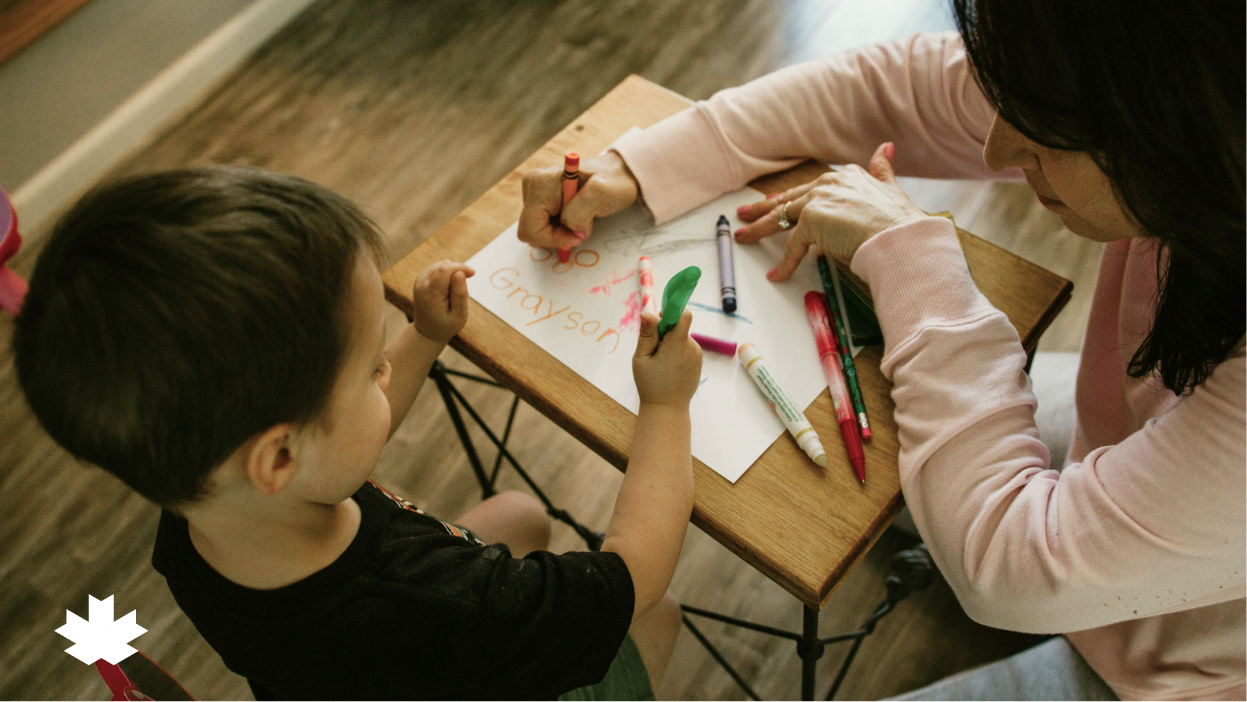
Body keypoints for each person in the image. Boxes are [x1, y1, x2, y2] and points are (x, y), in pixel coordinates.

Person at [516, 0, 1247, 699]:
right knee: (893, 478)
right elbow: (893, 87)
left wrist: (911, 260)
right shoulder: (1181, 101)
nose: (995, 147)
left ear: (1185, 121)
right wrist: (640, 165)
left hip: (1195, 670)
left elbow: (1008, 566)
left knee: (933, 501)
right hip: (1140, 449)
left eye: (1042, 128)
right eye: (1007, 99)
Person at [13, 165, 703, 701]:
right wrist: (666, 407)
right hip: (456, 659)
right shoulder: (440, 604)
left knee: (520, 514)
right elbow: (634, 575)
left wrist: (423, 337)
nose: (386, 370)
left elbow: (334, 444)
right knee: (660, 614)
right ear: (278, 456)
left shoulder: (199, 514)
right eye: (373, 368)